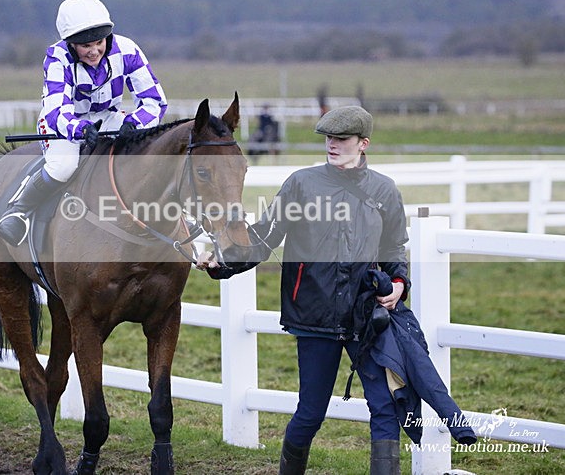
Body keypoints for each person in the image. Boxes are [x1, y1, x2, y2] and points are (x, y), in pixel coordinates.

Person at [199, 105, 473, 474]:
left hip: (368, 317)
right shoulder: (301, 184)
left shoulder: (384, 190)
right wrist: (224, 264)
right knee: (311, 413)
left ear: (364, 144)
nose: (332, 144)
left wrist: (399, 283)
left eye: (341, 139)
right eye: (328, 138)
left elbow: (393, 248)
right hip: (314, 315)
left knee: (385, 407)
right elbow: (264, 237)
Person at [0, 0, 168, 246]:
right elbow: (57, 110)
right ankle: (18, 211)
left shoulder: (128, 50)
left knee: (145, 151)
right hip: (63, 123)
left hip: (109, 117)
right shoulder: (57, 57)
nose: (95, 50)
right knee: (63, 167)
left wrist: (135, 123)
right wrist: (80, 128)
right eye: (86, 46)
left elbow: (155, 101)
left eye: (99, 42)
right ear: (71, 44)